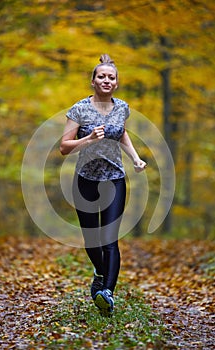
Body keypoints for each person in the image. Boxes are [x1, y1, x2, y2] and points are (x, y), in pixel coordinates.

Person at [60, 54, 146, 317]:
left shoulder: (122, 107)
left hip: (114, 179)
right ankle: (99, 273)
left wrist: (135, 157)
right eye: (101, 76)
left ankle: (106, 293)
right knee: (91, 241)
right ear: (93, 81)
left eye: (111, 77)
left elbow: (121, 132)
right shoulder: (79, 110)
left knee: (110, 239)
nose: (106, 80)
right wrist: (87, 140)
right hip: (85, 181)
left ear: (116, 83)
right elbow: (64, 147)